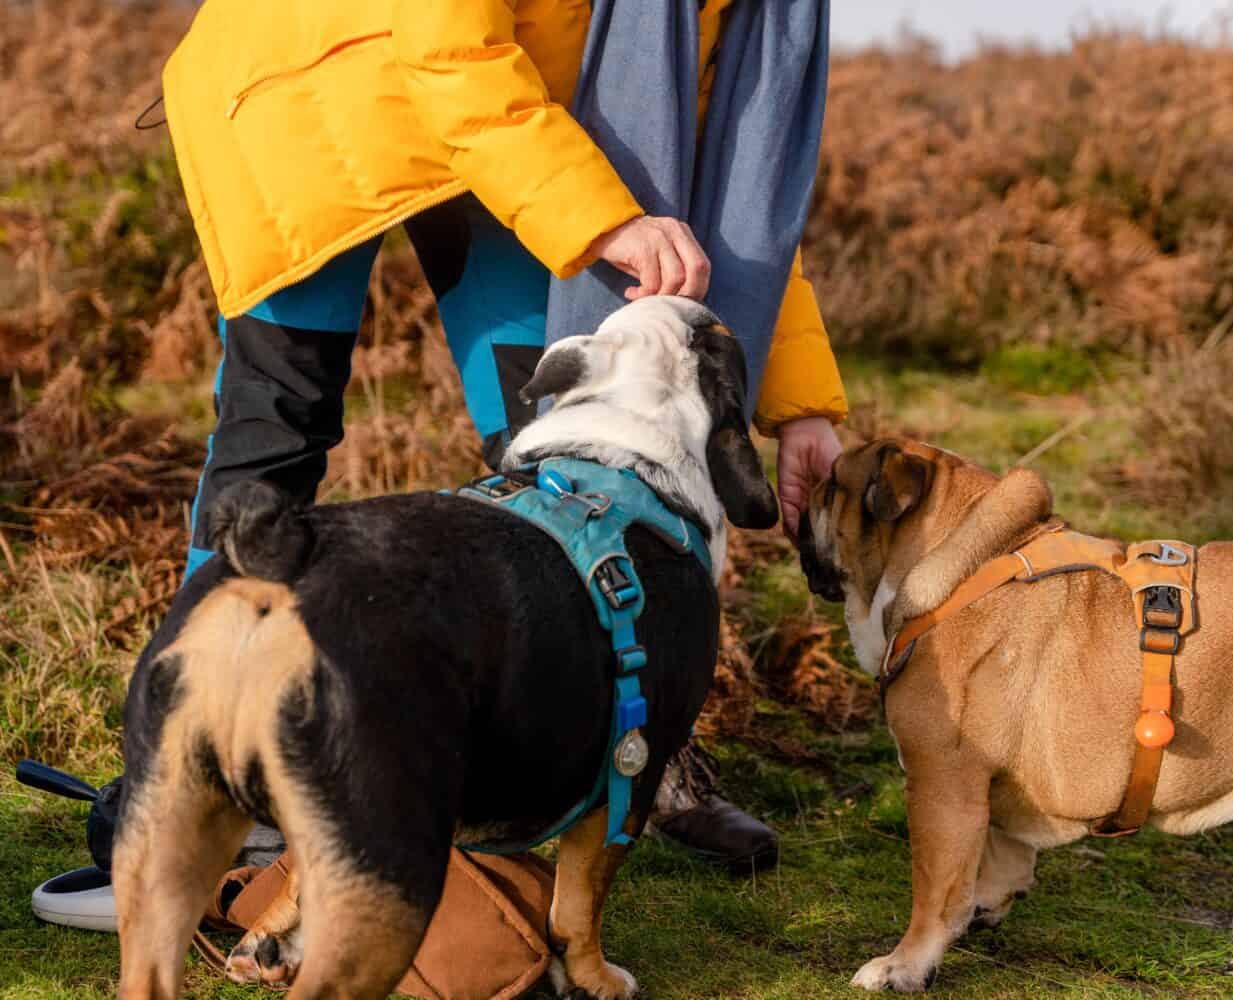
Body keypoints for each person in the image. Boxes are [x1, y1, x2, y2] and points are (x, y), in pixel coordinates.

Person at [32, 0, 846, 931]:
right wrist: (601, 224)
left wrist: (803, 402)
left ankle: (627, 753)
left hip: (507, 126)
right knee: (279, 428)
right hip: (315, 84)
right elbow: (446, 51)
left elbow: (712, 194)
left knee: (558, 437)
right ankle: (183, 788)